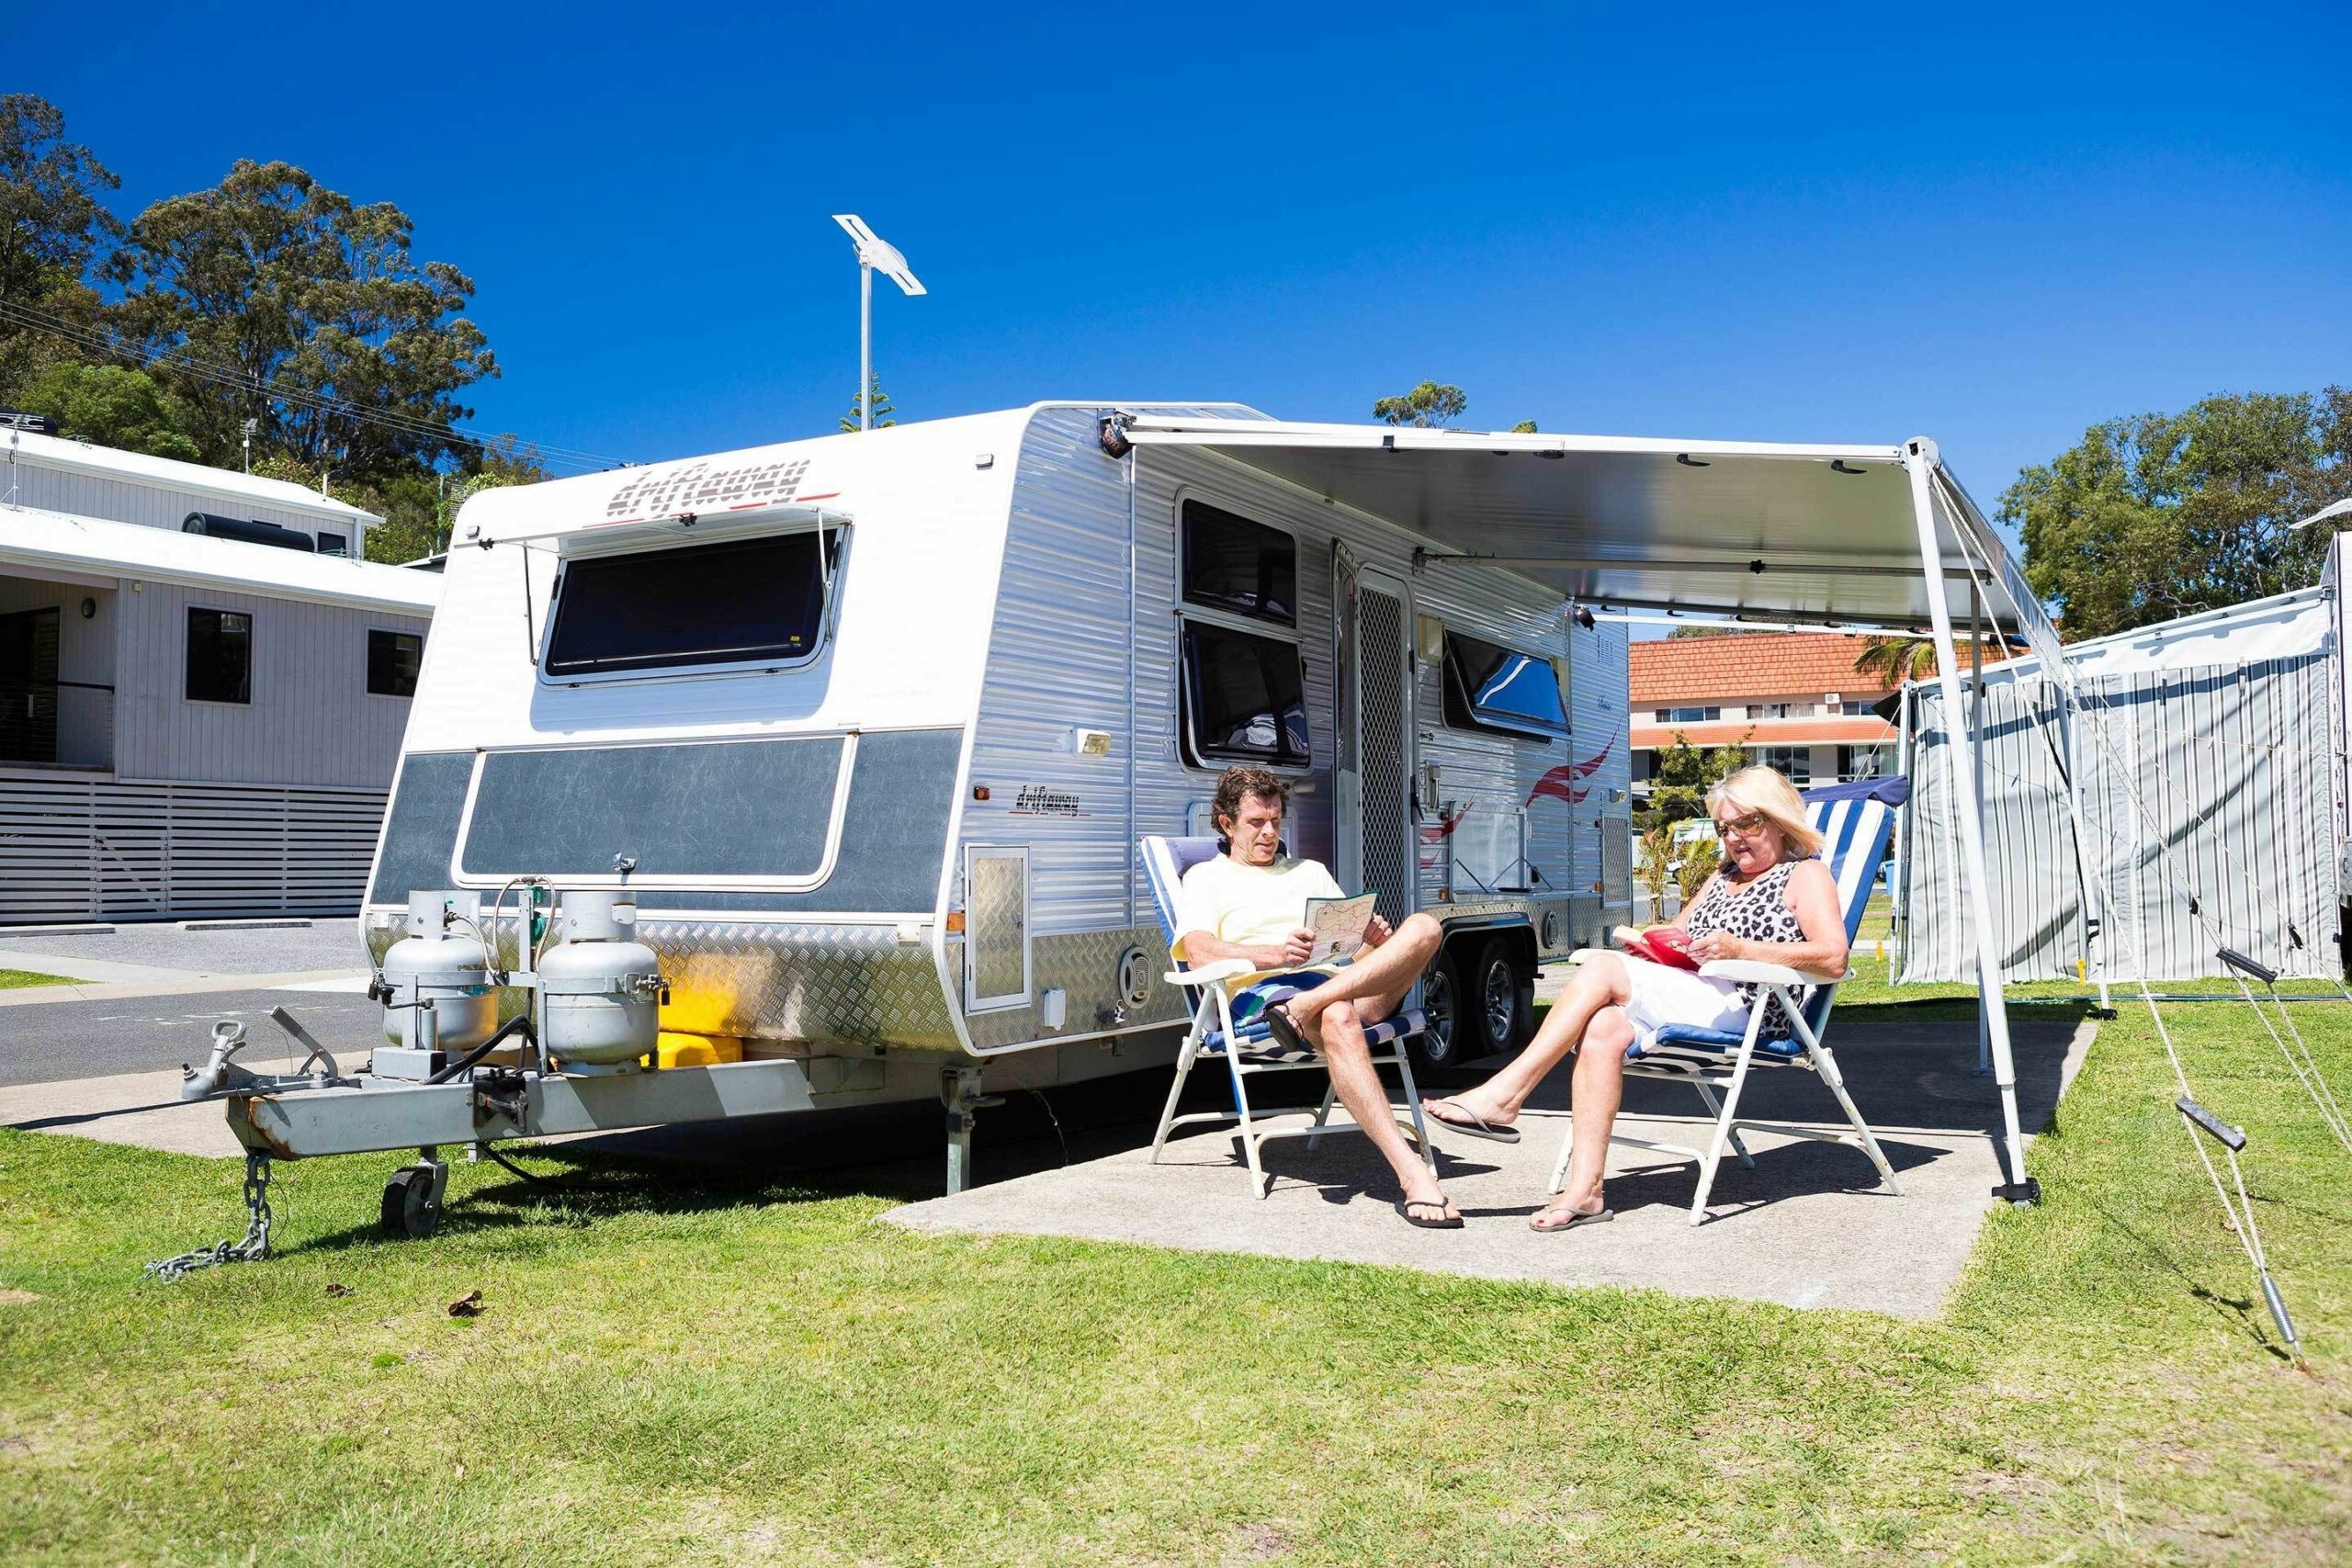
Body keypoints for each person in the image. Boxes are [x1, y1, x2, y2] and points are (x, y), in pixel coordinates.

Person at [1423, 765, 1849, 1231]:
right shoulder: (1722, 876)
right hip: (1700, 995)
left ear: (1779, 819)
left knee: (1603, 969)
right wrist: (1652, 948)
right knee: (1604, 1026)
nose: (1733, 839)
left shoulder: (1804, 875)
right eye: (1725, 828)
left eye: (1746, 824)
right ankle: (1585, 1192)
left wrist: (1740, 949)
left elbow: (1833, 959)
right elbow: (1679, 935)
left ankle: (1506, 1094)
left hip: (1750, 1011)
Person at [1175, 765, 1456, 1227]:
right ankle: (1413, 1173)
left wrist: (1373, 940)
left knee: (1425, 928)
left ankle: (1309, 1005)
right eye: (1256, 823)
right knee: (1339, 1016)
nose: (1269, 833)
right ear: (1227, 825)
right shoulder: (1206, 878)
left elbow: (1346, 951)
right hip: (1267, 1002)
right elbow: (1201, 954)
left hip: (1325, 993)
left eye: (1276, 821)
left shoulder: (1310, 871)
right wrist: (1275, 953)